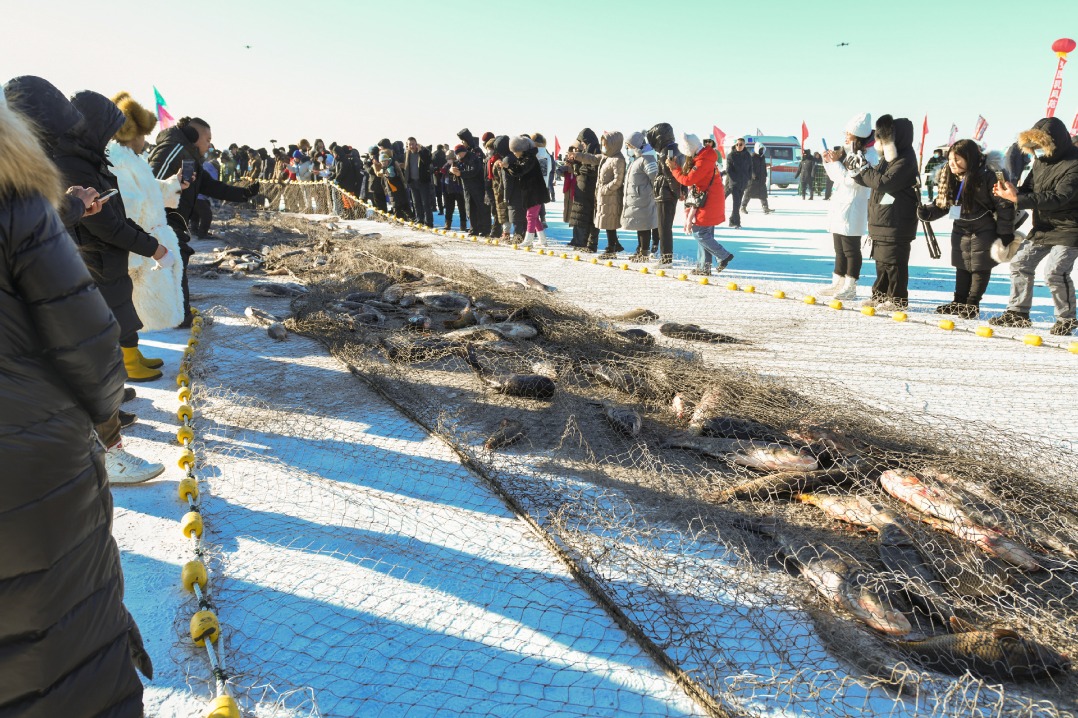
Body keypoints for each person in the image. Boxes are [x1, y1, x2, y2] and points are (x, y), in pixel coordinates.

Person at [0, 88, 154, 718]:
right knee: (59, 644)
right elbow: (88, 340)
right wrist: (103, 417)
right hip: (25, 453)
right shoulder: (15, 196)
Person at [53, 91, 173, 385]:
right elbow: (103, 223)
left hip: (107, 255)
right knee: (110, 314)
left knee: (119, 306)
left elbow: (113, 208)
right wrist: (152, 247)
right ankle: (120, 369)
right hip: (95, 254)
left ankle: (126, 361)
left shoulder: (87, 158)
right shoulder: (74, 164)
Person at [148, 115, 260, 326]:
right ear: (193, 135)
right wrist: (155, 223)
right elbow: (151, 185)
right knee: (174, 265)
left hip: (173, 224)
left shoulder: (189, 157)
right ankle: (177, 317)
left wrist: (243, 194)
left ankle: (177, 314)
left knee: (176, 265)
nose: (210, 144)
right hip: (162, 223)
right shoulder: (172, 150)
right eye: (207, 139)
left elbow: (210, 186)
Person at [106, 91, 186, 334]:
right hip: (141, 249)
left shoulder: (133, 161)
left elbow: (149, 192)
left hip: (146, 244)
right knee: (135, 308)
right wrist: (139, 253)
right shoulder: (121, 164)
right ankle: (129, 356)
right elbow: (129, 210)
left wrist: (173, 185)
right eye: (143, 134)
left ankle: (133, 353)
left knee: (140, 310)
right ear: (133, 134)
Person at [991, 117, 1078, 335]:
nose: (1036, 152)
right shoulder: (1041, 161)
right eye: (1033, 148)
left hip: (1070, 228)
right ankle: (1017, 313)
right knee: (1020, 263)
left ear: (1052, 143)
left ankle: (1066, 319)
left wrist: (1018, 199)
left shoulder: (1075, 163)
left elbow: (1059, 197)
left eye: (1039, 147)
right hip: (1043, 227)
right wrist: (1012, 191)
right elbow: (1030, 188)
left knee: (1054, 272)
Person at [918, 140, 1015, 319]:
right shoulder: (950, 175)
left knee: (980, 267)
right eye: (950, 159)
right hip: (961, 227)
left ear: (969, 158)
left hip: (985, 228)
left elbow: (1004, 205)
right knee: (961, 265)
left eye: (958, 159)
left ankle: (972, 304)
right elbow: (943, 204)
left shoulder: (990, 175)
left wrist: (1005, 232)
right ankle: (958, 302)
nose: (952, 163)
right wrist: (928, 213)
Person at [853, 114, 920, 310]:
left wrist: (864, 170)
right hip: (882, 219)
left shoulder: (905, 160)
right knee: (881, 261)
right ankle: (880, 295)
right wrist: (857, 172)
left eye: (884, 137)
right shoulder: (888, 159)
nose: (880, 142)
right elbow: (872, 180)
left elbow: (884, 183)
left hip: (896, 221)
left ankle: (898, 299)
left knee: (894, 262)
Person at [819, 112, 876, 301]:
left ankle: (851, 285)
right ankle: (838, 282)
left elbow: (852, 180)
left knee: (851, 249)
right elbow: (838, 177)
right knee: (839, 247)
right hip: (841, 204)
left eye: (848, 133)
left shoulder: (870, 155)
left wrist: (836, 163)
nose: (845, 135)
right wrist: (830, 161)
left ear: (858, 135)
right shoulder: (848, 151)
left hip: (855, 205)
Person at [668, 133, 734, 275]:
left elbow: (687, 180)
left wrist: (674, 169)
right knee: (706, 232)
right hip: (711, 198)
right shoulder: (705, 156)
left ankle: (723, 255)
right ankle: (703, 267)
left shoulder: (703, 160)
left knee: (700, 233)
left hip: (708, 201)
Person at [570, 130, 625, 256]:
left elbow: (618, 180)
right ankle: (613, 246)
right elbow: (592, 158)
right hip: (604, 197)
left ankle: (612, 248)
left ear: (613, 144)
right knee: (607, 223)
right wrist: (577, 155)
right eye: (602, 144)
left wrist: (604, 189)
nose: (603, 147)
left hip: (611, 197)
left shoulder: (617, 159)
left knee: (610, 223)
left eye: (605, 144)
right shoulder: (606, 157)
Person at [504, 134, 551, 247]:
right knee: (534, 217)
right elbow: (517, 170)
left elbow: (520, 170)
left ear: (521, 149)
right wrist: (507, 167)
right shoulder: (525, 158)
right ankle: (542, 239)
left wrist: (507, 166)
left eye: (515, 151)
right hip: (532, 192)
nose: (514, 154)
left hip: (535, 192)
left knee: (530, 216)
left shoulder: (530, 158)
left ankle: (528, 240)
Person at [646, 122, 683, 265]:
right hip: (668, 192)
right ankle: (666, 257)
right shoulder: (676, 149)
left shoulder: (665, 152)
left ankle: (666, 259)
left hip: (665, 193)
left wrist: (677, 192)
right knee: (665, 226)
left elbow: (669, 175)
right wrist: (680, 190)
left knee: (664, 227)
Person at [621, 131, 659, 260]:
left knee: (644, 226)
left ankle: (644, 252)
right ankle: (640, 250)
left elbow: (655, 179)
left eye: (629, 146)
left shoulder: (648, 159)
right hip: (637, 198)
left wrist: (650, 193)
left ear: (636, 146)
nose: (627, 149)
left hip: (644, 198)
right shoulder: (637, 159)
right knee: (640, 225)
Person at [566, 127, 602, 251]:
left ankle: (585, 241)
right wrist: (575, 163)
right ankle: (577, 239)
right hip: (581, 187)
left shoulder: (596, 152)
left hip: (590, 189)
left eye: (583, 142)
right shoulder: (584, 152)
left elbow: (593, 170)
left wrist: (579, 163)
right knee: (578, 216)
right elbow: (579, 171)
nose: (582, 144)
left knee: (587, 216)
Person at [454, 129, 490, 237]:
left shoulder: (475, 151)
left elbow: (476, 169)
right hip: (468, 186)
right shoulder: (464, 153)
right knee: (470, 208)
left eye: (463, 141)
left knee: (481, 207)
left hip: (477, 184)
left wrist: (461, 173)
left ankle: (484, 228)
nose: (463, 144)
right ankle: (474, 228)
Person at [404, 137, 435, 227]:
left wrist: (421, 151)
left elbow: (427, 162)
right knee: (416, 203)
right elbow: (406, 167)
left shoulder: (424, 152)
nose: (411, 146)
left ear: (416, 144)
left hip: (423, 181)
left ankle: (428, 222)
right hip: (412, 182)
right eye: (409, 144)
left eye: (413, 144)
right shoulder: (407, 154)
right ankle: (419, 220)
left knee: (426, 203)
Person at [725, 137, 751, 228]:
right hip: (734, 183)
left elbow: (750, 168)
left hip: (743, 183)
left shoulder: (747, 155)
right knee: (736, 203)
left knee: (738, 203)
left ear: (744, 145)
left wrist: (748, 178)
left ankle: (732, 220)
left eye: (741, 144)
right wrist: (734, 179)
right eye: (737, 144)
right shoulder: (731, 155)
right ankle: (737, 222)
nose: (738, 146)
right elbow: (728, 170)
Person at [441, 149, 467, 231]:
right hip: (449, 190)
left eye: (450, 157)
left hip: (458, 190)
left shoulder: (458, 164)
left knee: (462, 208)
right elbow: (443, 174)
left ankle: (463, 225)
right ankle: (447, 223)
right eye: (448, 157)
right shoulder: (446, 166)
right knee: (449, 208)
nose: (449, 159)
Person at [742, 145, 771, 214]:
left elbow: (763, 167)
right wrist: (753, 175)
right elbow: (749, 168)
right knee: (748, 193)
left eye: (762, 149)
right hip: (753, 180)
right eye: (760, 149)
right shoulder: (752, 157)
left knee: (763, 194)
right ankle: (743, 207)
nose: (761, 151)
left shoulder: (762, 157)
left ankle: (765, 207)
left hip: (761, 179)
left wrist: (765, 175)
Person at [533, 133, 554, 227]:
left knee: (533, 210)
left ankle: (535, 229)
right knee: (539, 204)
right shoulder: (546, 154)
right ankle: (542, 221)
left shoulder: (535, 153)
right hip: (543, 184)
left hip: (533, 185)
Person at [432, 143, 447, 214]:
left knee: (438, 194)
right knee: (445, 192)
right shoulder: (444, 154)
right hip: (444, 175)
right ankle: (446, 206)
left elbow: (432, 165)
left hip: (436, 175)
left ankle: (441, 210)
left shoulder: (434, 154)